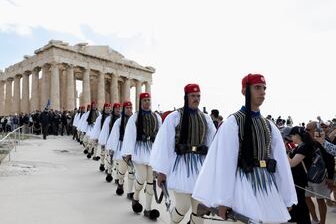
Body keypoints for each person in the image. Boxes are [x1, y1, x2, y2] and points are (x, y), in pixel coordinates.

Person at [192, 73, 297, 223]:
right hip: (242, 183)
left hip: (267, 184)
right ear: (244, 91)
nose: (262, 92)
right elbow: (226, 164)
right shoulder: (233, 123)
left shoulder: (269, 126)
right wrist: (224, 201)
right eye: (257, 88)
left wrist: (287, 198)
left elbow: (281, 163)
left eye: (264, 88)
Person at [150, 84, 216, 224]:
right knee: (183, 206)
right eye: (193, 96)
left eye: (198, 96)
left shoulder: (206, 119)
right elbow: (165, 146)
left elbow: (212, 144)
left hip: (199, 168)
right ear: (186, 97)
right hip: (180, 166)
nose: (196, 99)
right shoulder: (174, 117)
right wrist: (162, 172)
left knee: (199, 212)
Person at [122, 92, 162, 220]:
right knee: (142, 177)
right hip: (139, 150)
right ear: (141, 102)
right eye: (144, 100)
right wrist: (128, 153)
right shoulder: (135, 118)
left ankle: (148, 209)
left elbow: (161, 137)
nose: (147, 102)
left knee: (151, 181)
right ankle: (136, 196)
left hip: (151, 152)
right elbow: (129, 135)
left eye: (148, 100)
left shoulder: (157, 117)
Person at [106, 101, 135, 198]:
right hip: (122, 147)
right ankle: (121, 182)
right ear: (124, 109)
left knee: (131, 171)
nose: (129, 109)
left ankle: (130, 192)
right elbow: (114, 136)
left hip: (132, 149)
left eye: (131, 107)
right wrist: (112, 149)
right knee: (122, 170)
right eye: (127, 108)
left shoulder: (135, 120)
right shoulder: (118, 122)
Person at [285, 126, 312, 224]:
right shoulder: (300, 146)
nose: (291, 138)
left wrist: (285, 153)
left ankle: (304, 221)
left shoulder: (305, 147)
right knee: (298, 202)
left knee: (301, 203)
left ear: (297, 135)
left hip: (300, 179)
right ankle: (297, 219)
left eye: (292, 136)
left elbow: (292, 163)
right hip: (297, 178)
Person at [99, 103, 121, 181]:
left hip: (119, 143)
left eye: (119, 108)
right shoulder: (109, 119)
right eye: (116, 108)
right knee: (110, 158)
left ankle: (118, 178)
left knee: (119, 161)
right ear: (114, 109)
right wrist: (104, 141)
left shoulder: (122, 118)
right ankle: (109, 171)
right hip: (110, 141)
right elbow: (105, 130)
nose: (118, 110)